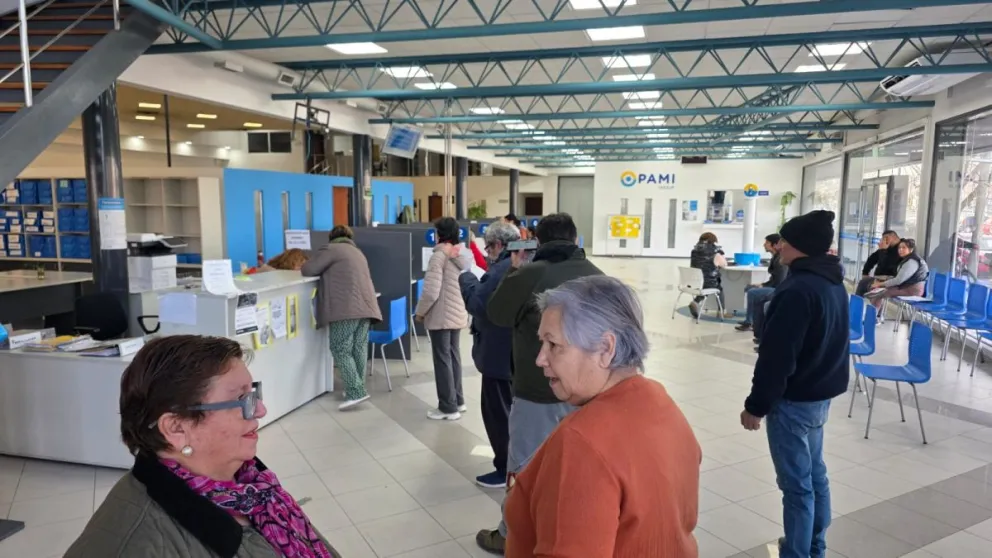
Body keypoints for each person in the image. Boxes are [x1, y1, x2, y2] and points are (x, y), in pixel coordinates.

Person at [65, 335, 342, 558]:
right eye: (241, 399)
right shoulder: (137, 544)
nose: (260, 410)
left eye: (253, 393)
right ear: (176, 428)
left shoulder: (254, 485)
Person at [504, 275, 701, 556]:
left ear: (605, 349)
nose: (540, 359)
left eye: (553, 345)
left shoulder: (582, 441)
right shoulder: (661, 404)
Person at [476, 212, 603, 554]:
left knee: (524, 466)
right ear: (575, 239)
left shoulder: (532, 273)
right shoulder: (597, 275)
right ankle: (567, 529)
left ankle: (510, 534)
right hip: (587, 393)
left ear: (538, 241)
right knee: (574, 466)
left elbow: (497, 314)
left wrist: (515, 270)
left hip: (538, 388)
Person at [740, 210, 849, 558]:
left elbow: (776, 359)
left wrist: (756, 406)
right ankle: (814, 545)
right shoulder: (832, 283)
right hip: (819, 397)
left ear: (798, 246)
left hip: (794, 401)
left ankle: (798, 552)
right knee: (816, 476)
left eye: (784, 241)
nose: (779, 246)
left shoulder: (797, 290)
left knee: (797, 487)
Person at [447, 221, 521, 489]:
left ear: (499, 245)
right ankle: (513, 464)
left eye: (489, 247)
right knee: (512, 412)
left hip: (497, 355)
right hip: (515, 353)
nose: (487, 252)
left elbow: (478, 303)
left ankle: (504, 468)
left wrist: (466, 274)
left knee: (497, 414)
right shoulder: (521, 263)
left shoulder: (501, 268)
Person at [302, 225, 382, 410]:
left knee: (340, 348)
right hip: (366, 307)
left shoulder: (331, 249)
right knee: (358, 348)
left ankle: (356, 391)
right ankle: (358, 387)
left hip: (347, 308)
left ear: (332, 237)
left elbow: (308, 269)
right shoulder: (357, 252)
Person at [416, 216, 470, 420]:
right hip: (457, 312)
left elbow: (430, 291)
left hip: (441, 314)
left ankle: (448, 407)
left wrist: (420, 312)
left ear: (440, 234)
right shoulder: (461, 254)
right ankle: (458, 400)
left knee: (442, 360)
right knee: (453, 356)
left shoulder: (439, 256)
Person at [736, 233, 787, 332]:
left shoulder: (780, 259)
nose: (764, 245)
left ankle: (749, 322)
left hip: (779, 289)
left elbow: (779, 281)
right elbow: (774, 279)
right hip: (774, 286)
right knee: (749, 288)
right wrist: (762, 285)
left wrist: (762, 286)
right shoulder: (775, 257)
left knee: (752, 292)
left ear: (775, 244)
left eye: (767, 242)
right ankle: (752, 322)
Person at [865, 238, 929, 311]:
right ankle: (876, 315)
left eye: (903, 248)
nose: (900, 250)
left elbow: (898, 280)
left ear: (911, 249)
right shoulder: (908, 259)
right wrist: (881, 282)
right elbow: (899, 278)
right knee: (876, 289)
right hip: (905, 287)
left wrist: (880, 284)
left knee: (880, 292)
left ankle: (874, 318)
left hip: (912, 290)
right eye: (899, 248)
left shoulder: (912, 262)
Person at [689, 231, 729, 318]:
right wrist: (721, 254)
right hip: (708, 282)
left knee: (705, 286)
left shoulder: (694, 251)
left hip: (695, 281)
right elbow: (724, 264)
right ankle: (722, 312)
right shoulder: (715, 253)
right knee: (718, 288)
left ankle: (696, 302)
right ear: (713, 242)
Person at [855, 230, 901, 296]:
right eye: (883, 238)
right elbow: (872, 259)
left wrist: (883, 250)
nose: (885, 240)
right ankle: (857, 304)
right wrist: (865, 272)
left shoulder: (901, 249)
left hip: (890, 279)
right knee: (863, 282)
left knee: (872, 288)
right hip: (880, 278)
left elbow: (887, 265)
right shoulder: (887, 247)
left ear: (893, 237)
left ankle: (875, 305)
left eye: (886, 238)